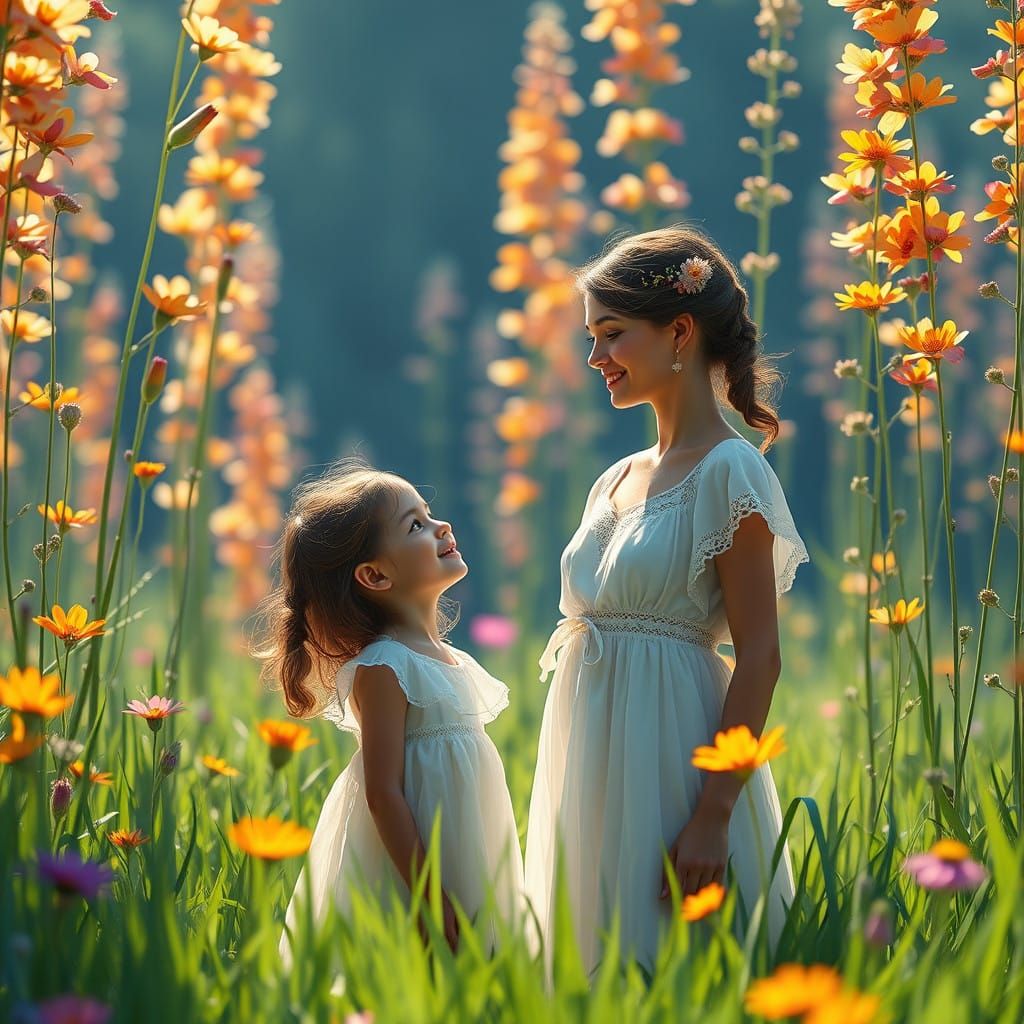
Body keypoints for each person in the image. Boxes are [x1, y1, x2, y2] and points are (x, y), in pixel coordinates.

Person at [524, 225, 810, 976]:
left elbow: (761, 657)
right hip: (590, 749)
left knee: (674, 967)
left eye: (612, 335)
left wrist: (712, 815)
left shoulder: (731, 472)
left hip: (676, 756)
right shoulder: (612, 479)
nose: (596, 359)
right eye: (591, 337)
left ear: (679, 330)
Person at [256, 460, 524, 966]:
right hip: (415, 864)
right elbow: (383, 793)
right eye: (416, 525)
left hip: (467, 843)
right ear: (375, 575)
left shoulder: (453, 661)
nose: (441, 526)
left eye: (429, 514)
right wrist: (428, 895)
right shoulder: (386, 666)